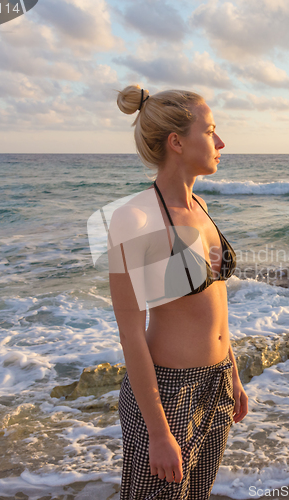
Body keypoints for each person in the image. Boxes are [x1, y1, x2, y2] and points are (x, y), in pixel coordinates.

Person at [108, 84, 248, 500]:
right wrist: (158, 432)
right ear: (177, 142)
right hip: (167, 394)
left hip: (217, 381)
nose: (220, 142)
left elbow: (214, 305)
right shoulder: (132, 218)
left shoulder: (201, 206)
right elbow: (131, 333)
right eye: (210, 131)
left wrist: (233, 373)